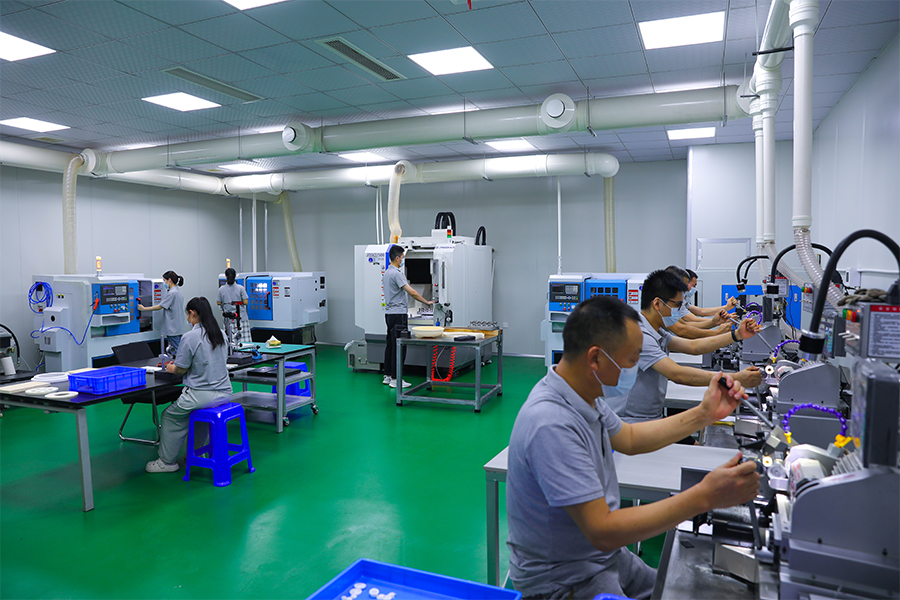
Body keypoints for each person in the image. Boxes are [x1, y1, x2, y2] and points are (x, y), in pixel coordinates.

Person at [506, 296, 760, 598]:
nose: (634, 369)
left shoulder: (582, 394)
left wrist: (704, 414)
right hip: (566, 581)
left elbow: (628, 438)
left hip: (605, 557)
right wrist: (704, 496)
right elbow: (602, 530)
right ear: (595, 358)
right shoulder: (551, 423)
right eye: (630, 361)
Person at [611, 270, 763, 430]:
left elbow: (693, 347)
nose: (679, 310)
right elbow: (677, 374)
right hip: (630, 422)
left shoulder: (657, 330)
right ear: (657, 304)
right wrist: (735, 378)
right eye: (677, 305)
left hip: (649, 417)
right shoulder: (640, 335)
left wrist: (737, 335)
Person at [146, 296, 232, 473]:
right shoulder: (220, 334)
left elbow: (180, 369)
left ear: (192, 313)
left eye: (187, 315)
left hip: (201, 394)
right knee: (200, 417)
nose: (187, 319)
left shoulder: (190, 336)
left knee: (170, 417)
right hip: (224, 393)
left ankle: (166, 462)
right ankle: (196, 453)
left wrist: (170, 367)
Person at [383, 244, 434, 389]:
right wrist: (426, 302)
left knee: (390, 345)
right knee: (399, 346)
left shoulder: (387, 273)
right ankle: (396, 379)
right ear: (397, 258)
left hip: (389, 314)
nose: (403, 260)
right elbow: (412, 292)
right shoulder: (397, 274)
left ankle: (388, 375)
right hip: (399, 315)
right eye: (403, 257)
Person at [138, 270, 186, 356]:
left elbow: (160, 306)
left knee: (177, 352)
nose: (164, 283)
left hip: (173, 329)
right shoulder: (178, 292)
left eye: (164, 280)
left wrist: (144, 309)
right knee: (179, 349)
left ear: (169, 280)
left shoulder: (172, 293)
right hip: (178, 327)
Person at [216, 268, 250, 346]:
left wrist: (226, 303)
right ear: (235, 276)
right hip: (241, 320)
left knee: (231, 343)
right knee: (245, 344)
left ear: (226, 276)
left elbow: (218, 302)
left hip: (228, 321)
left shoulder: (221, 289)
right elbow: (246, 302)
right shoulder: (240, 288)